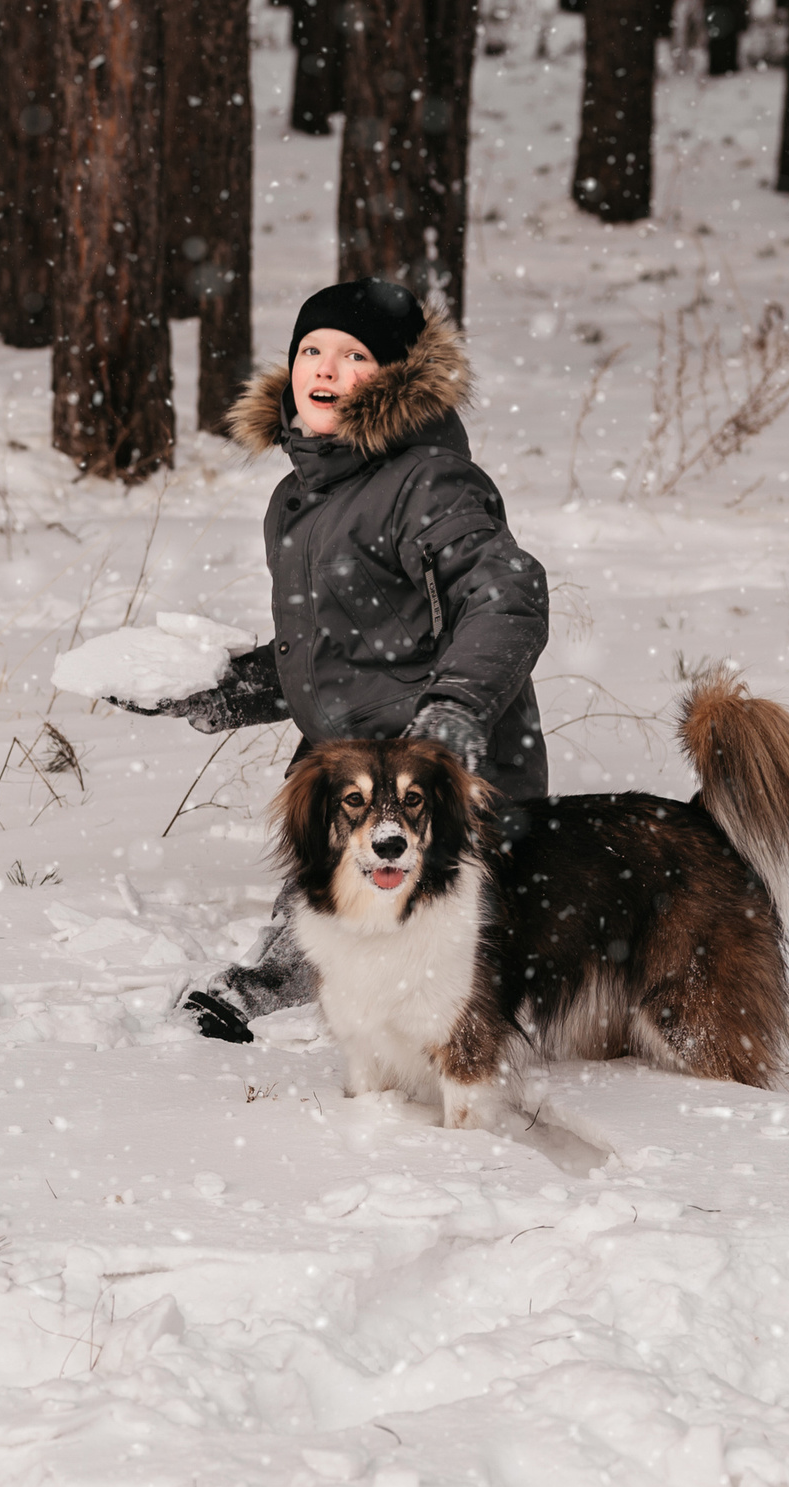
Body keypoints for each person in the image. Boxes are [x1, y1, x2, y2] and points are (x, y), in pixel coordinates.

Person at [113, 279, 549, 1042]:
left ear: (397, 380)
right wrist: (211, 690)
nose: (325, 367)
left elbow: (508, 597)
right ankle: (285, 978)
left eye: (354, 355)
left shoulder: (428, 484)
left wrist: (452, 713)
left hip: (441, 767)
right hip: (348, 769)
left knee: (433, 930)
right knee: (331, 884)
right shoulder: (295, 500)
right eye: (311, 350)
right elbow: (329, 654)